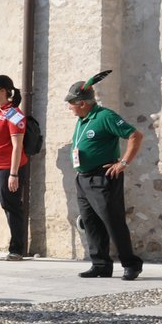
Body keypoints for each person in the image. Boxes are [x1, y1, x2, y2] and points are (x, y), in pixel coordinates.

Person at [66, 73, 144, 279]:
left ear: (82, 103)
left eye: (71, 103)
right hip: (83, 177)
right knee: (90, 222)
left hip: (103, 176)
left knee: (113, 220)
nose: (69, 107)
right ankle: (100, 263)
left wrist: (123, 163)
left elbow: (135, 135)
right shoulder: (82, 120)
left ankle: (131, 263)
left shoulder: (105, 116)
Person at [0, 75, 30, 260]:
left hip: (7, 168)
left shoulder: (13, 113)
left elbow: (17, 146)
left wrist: (14, 174)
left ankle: (17, 249)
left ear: (3, 91)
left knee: (10, 206)